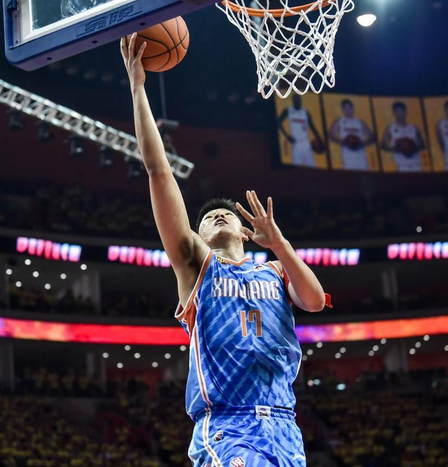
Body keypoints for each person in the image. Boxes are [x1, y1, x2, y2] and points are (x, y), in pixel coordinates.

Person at [121, 34, 330, 466]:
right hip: (227, 426)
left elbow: (312, 301)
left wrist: (281, 245)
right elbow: (159, 172)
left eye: (226, 214)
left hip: (284, 427)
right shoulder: (197, 266)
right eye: (207, 218)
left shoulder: (275, 271)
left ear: (245, 231)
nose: (217, 216)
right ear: (196, 236)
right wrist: (138, 88)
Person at [277, 94, 325, 168]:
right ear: (293, 101)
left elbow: (312, 127)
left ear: (301, 101)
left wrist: (320, 140)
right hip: (296, 144)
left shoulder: (305, 113)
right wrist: (287, 136)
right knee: (297, 169)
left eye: (299, 100)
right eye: (296, 100)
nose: (298, 101)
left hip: (306, 143)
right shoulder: (288, 110)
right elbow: (278, 122)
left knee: (312, 167)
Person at [328, 99, 374, 170]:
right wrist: (343, 142)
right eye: (345, 108)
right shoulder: (339, 121)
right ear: (343, 109)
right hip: (347, 155)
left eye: (349, 107)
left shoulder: (360, 122)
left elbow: (371, 137)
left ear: (352, 108)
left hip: (361, 156)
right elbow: (331, 135)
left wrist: (362, 144)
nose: (348, 110)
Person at [381, 101, 426, 172]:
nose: (400, 114)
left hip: (416, 164)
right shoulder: (390, 128)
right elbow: (383, 145)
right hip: (401, 164)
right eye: (397, 111)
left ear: (405, 112)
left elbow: (422, 145)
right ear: (394, 113)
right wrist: (398, 148)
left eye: (401, 111)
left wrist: (411, 147)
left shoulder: (414, 128)